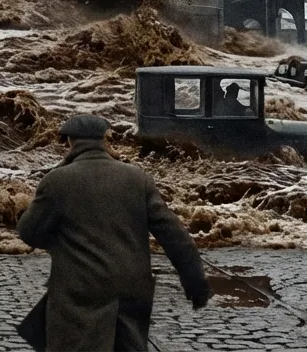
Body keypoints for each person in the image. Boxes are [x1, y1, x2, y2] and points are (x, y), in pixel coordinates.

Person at [17, 115, 210, 352]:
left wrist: (58, 241)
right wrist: (195, 283)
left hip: (81, 294)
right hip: (133, 288)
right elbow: (173, 234)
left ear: (70, 141)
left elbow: (28, 232)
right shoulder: (137, 178)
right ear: (103, 139)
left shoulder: (57, 181)